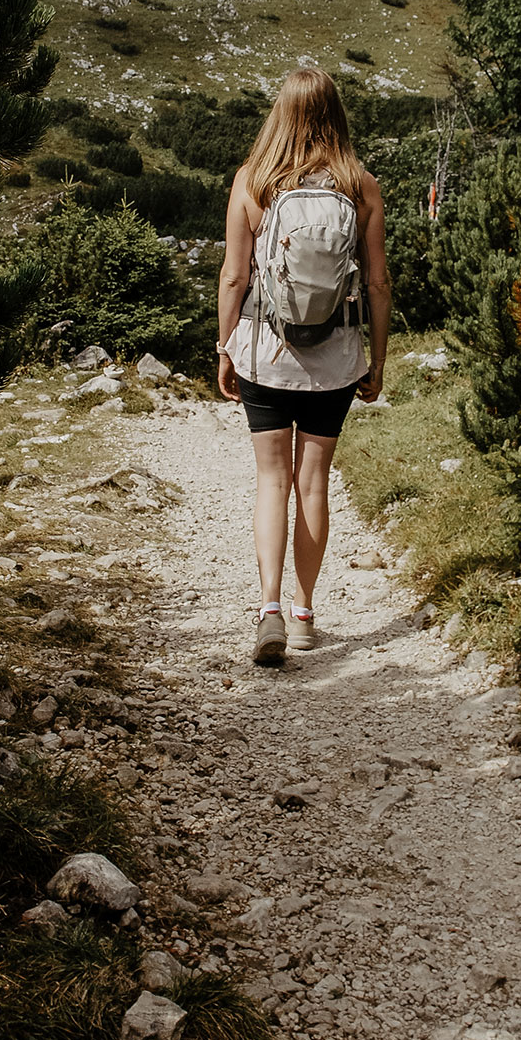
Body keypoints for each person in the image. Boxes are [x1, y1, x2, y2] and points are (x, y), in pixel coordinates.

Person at [216, 67, 391, 662]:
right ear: (336, 114)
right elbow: (378, 284)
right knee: (312, 483)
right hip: (336, 358)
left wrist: (225, 347)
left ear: (280, 113)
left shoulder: (253, 180)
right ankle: (304, 615)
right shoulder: (360, 185)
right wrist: (378, 361)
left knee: (272, 480)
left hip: (266, 354)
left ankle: (267, 607)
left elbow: (236, 276)